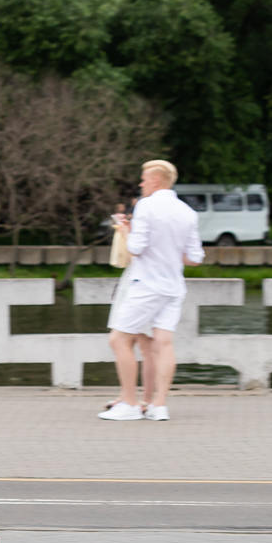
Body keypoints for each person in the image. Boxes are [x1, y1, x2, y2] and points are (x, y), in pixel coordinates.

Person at [99, 160, 204, 422]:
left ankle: (130, 403)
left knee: (119, 340)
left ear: (156, 180)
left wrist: (125, 230)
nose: (141, 184)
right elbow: (194, 257)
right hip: (173, 287)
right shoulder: (188, 212)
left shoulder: (147, 206)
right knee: (163, 344)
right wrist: (167, 252)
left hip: (146, 285)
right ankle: (158, 405)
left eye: (144, 180)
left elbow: (135, 248)